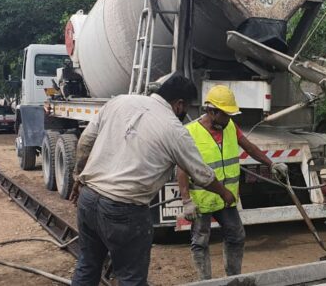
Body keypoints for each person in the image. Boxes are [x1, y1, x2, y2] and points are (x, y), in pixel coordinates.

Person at [69, 74, 236, 285]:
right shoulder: (175, 130)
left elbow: (85, 141)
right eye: (187, 108)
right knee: (131, 278)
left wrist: (78, 177)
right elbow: (201, 174)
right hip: (123, 210)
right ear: (179, 104)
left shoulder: (119, 101)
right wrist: (224, 192)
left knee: (87, 265)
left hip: (89, 199)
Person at [177, 85, 289, 280]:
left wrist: (271, 164)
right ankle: (206, 283)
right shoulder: (190, 132)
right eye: (225, 114)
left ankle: (233, 279)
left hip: (226, 199)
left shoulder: (230, 127)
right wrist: (186, 200)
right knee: (200, 243)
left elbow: (250, 147)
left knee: (236, 236)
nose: (229, 118)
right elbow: (181, 168)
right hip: (203, 201)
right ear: (212, 111)